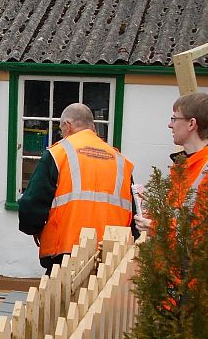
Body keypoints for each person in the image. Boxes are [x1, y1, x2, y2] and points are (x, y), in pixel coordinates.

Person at [135, 92, 208, 316]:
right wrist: (155, 207)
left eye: (175, 118)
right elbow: (184, 217)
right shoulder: (191, 166)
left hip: (198, 299)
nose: (169, 124)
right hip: (183, 290)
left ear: (192, 124)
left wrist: (156, 226)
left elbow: (204, 241)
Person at [18, 103, 135, 273]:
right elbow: (135, 212)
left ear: (68, 125)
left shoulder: (58, 154)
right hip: (111, 255)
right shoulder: (121, 162)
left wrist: (34, 228)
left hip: (67, 251)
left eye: (61, 129)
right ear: (93, 127)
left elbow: (32, 203)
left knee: (62, 297)